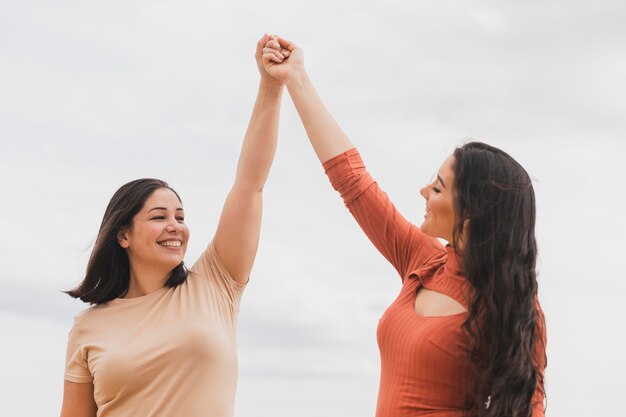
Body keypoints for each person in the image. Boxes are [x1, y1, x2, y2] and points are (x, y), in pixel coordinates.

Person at [262, 37, 547, 417]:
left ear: (473, 211)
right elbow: (353, 181)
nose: (423, 191)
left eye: (438, 186)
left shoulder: (515, 305)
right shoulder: (424, 261)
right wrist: (296, 78)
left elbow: (531, 407)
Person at [59, 34, 286, 417]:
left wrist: (270, 86)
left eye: (180, 217)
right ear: (123, 235)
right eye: (159, 217)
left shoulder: (216, 284)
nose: (175, 226)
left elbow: (250, 184)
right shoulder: (88, 328)